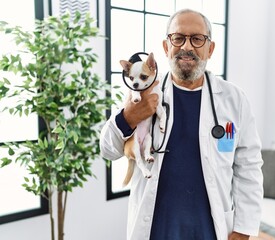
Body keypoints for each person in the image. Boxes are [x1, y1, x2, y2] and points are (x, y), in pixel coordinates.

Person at [100, 8, 263, 240]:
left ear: (210, 49)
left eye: (197, 39)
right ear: (167, 47)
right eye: (178, 38)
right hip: (156, 230)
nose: (187, 47)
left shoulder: (234, 100)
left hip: (212, 230)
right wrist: (129, 117)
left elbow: (249, 167)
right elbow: (107, 150)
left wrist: (244, 229)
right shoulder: (143, 93)